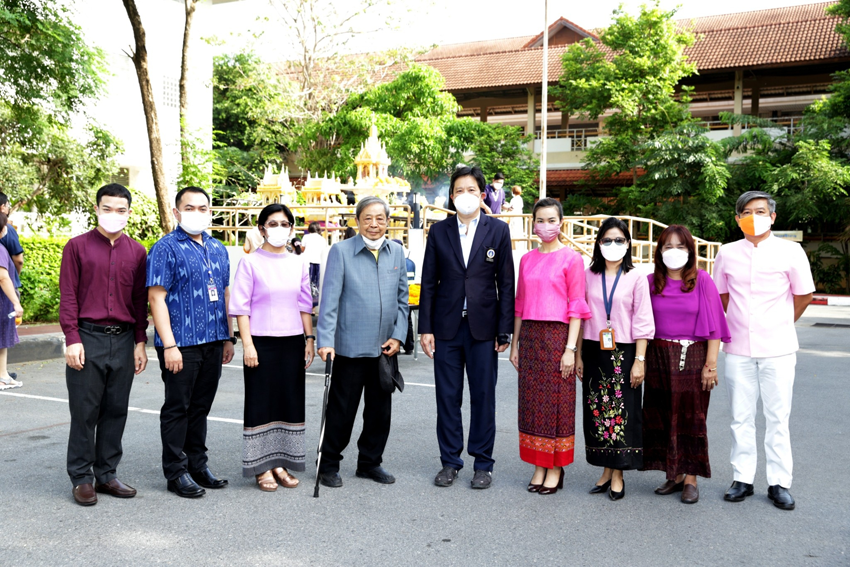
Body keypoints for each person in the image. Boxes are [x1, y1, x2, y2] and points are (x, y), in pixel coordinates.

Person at [713, 190, 814, 511]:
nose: (753, 216)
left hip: (779, 348)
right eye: (747, 211)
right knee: (740, 417)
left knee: (777, 417)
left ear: (772, 216)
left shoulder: (791, 251)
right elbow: (722, 296)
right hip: (738, 347)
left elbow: (803, 296)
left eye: (760, 211)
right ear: (737, 218)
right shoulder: (727, 253)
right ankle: (742, 478)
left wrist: (781, 323)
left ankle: (779, 483)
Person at [419, 166, 514, 489]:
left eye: (472, 190)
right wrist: (425, 327)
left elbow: (506, 283)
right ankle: (450, 461)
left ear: (483, 194)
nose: (465, 196)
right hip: (446, 327)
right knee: (448, 397)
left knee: (483, 396)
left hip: (484, 329)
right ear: (451, 195)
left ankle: (483, 463)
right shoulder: (439, 231)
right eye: (459, 190)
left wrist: (504, 329)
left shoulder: (497, 231)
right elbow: (429, 282)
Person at [57, 184, 148, 506]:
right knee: (84, 412)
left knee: (115, 410)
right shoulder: (77, 247)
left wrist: (140, 341)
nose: (113, 215)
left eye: (120, 210)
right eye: (107, 209)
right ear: (96, 209)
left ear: (129, 213)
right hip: (88, 337)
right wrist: (72, 338)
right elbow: (68, 295)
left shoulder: (137, 252)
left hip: (123, 340)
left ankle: (107, 474)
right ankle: (81, 477)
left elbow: (139, 301)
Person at [147, 187, 236, 499]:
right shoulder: (165, 249)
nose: (196, 212)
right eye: (189, 207)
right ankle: (176, 471)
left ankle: (198, 464)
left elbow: (225, 294)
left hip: (214, 339)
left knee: (200, 407)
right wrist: (169, 345)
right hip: (181, 343)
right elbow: (156, 299)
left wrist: (228, 336)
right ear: (176, 212)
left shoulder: (219, 248)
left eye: (202, 208)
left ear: (210, 212)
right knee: (177, 407)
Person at [316, 196, 409, 488]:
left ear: (387, 221)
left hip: (385, 348)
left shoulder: (396, 252)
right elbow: (329, 301)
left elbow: (402, 300)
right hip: (349, 346)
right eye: (368, 218)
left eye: (380, 218)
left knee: (379, 413)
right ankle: (328, 464)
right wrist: (326, 340)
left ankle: (370, 463)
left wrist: (399, 335)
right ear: (357, 221)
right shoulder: (341, 251)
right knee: (342, 411)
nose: (374, 224)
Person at [642, 225, 730, 505]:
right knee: (663, 415)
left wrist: (711, 364)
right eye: (668, 246)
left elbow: (715, 326)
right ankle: (673, 473)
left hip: (692, 355)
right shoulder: (649, 282)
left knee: (693, 417)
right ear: (660, 251)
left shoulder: (702, 280)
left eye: (681, 246)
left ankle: (691, 477)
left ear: (691, 251)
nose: (674, 252)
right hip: (657, 355)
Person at [229, 204, 314, 492]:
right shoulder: (250, 262)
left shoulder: (299, 262)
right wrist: (248, 346)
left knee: (288, 402)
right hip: (261, 342)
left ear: (292, 228)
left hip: (291, 342)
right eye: (272, 223)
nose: (279, 228)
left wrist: (309, 339)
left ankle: (281, 462)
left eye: (284, 223)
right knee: (260, 403)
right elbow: (240, 308)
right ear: (262, 228)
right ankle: (261, 467)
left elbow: (305, 304)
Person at [510, 198, 590, 495]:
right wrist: (514, 345)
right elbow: (519, 305)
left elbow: (577, 307)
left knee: (558, 403)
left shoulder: (572, 259)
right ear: (533, 224)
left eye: (551, 220)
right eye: (540, 220)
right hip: (530, 337)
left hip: (558, 338)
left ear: (562, 223)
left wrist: (571, 349)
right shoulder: (527, 259)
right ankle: (538, 463)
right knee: (531, 404)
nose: (546, 226)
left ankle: (556, 466)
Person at [576, 217, 654, 500]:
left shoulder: (636, 277)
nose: (613, 245)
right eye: (607, 239)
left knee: (623, 412)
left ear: (628, 244)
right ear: (598, 243)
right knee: (598, 411)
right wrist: (579, 355)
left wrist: (640, 360)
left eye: (619, 240)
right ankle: (606, 471)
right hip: (594, 350)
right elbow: (582, 317)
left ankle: (618, 472)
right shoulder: (588, 275)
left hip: (625, 351)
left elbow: (644, 321)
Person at [0, 213, 22, 391]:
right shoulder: (0, 249)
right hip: (2, 300)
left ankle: (4, 375)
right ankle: (2, 377)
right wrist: (16, 302)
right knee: (2, 338)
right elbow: (3, 277)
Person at [301, 222, 328, 308]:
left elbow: (302, 249)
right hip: (319, 263)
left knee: (306, 284)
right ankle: (314, 305)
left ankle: (307, 304)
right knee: (316, 285)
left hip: (307, 262)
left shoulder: (306, 237)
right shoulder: (322, 239)